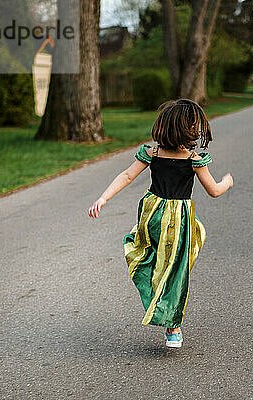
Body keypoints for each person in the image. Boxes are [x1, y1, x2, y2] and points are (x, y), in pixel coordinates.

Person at [88, 99, 233, 348]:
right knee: (175, 271)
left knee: (148, 258)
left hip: (151, 214)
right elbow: (214, 191)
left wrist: (104, 197)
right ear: (188, 131)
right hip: (177, 221)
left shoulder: (152, 154)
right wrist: (227, 182)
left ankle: (158, 299)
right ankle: (173, 326)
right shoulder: (193, 159)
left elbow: (126, 175)